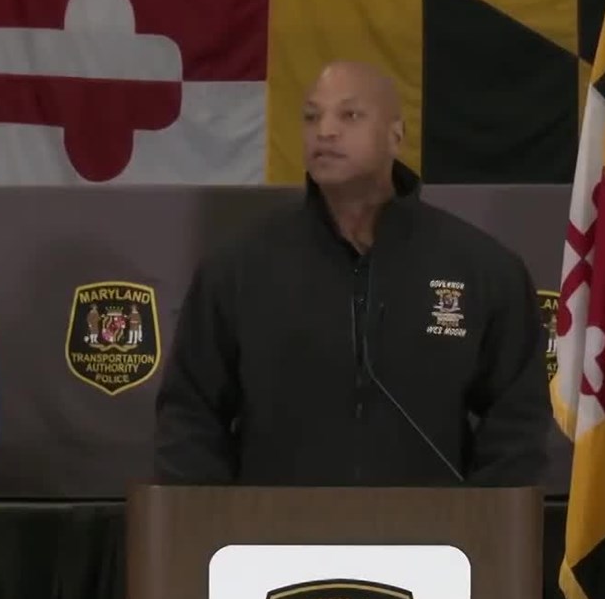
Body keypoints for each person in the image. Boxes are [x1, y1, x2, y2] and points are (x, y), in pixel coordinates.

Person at [154, 60, 550, 486]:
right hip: (272, 526)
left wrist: (482, 519)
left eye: (350, 115)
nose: (325, 131)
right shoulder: (238, 268)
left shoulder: (479, 267)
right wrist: (211, 517)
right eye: (312, 117)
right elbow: (189, 415)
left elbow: (517, 422)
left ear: (395, 135)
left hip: (430, 527)